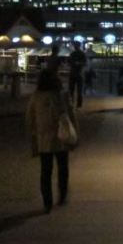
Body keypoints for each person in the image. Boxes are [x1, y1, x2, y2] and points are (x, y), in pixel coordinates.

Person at [25, 67, 78, 213]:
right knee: (62, 167)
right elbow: (71, 115)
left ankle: (47, 201)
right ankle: (62, 194)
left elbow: (29, 118)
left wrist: (33, 135)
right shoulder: (62, 95)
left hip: (44, 138)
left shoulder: (36, 96)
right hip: (62, 136)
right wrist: (75, 133)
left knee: (45, 171)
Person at [67, 41, 87, 109]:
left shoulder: (72, 54)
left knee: (71, 90)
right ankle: (78, 104)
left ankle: (71, 103)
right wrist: (79, 63)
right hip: (79, 73)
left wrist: (74, 63)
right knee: (79, 90)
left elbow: (68, 62)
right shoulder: (82, 54)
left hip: (73, 73)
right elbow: (85, 63)